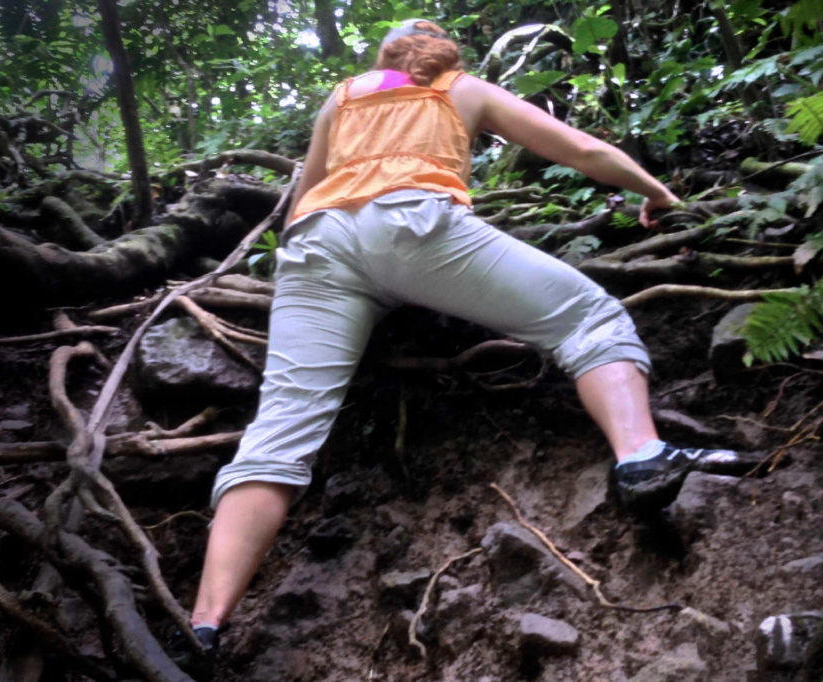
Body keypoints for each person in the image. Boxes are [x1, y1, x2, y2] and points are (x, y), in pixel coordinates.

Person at [170, 18, 743, 678]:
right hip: (418, 228)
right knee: (589, 318)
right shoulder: (461, 89)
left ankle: (207, 622)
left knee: (279, 435)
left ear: (384, 57)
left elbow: (304, 200)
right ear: (447, 51)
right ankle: (642, 456)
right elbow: (580, 150)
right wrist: (658, 192)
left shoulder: (346, 94)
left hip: (319, 247)